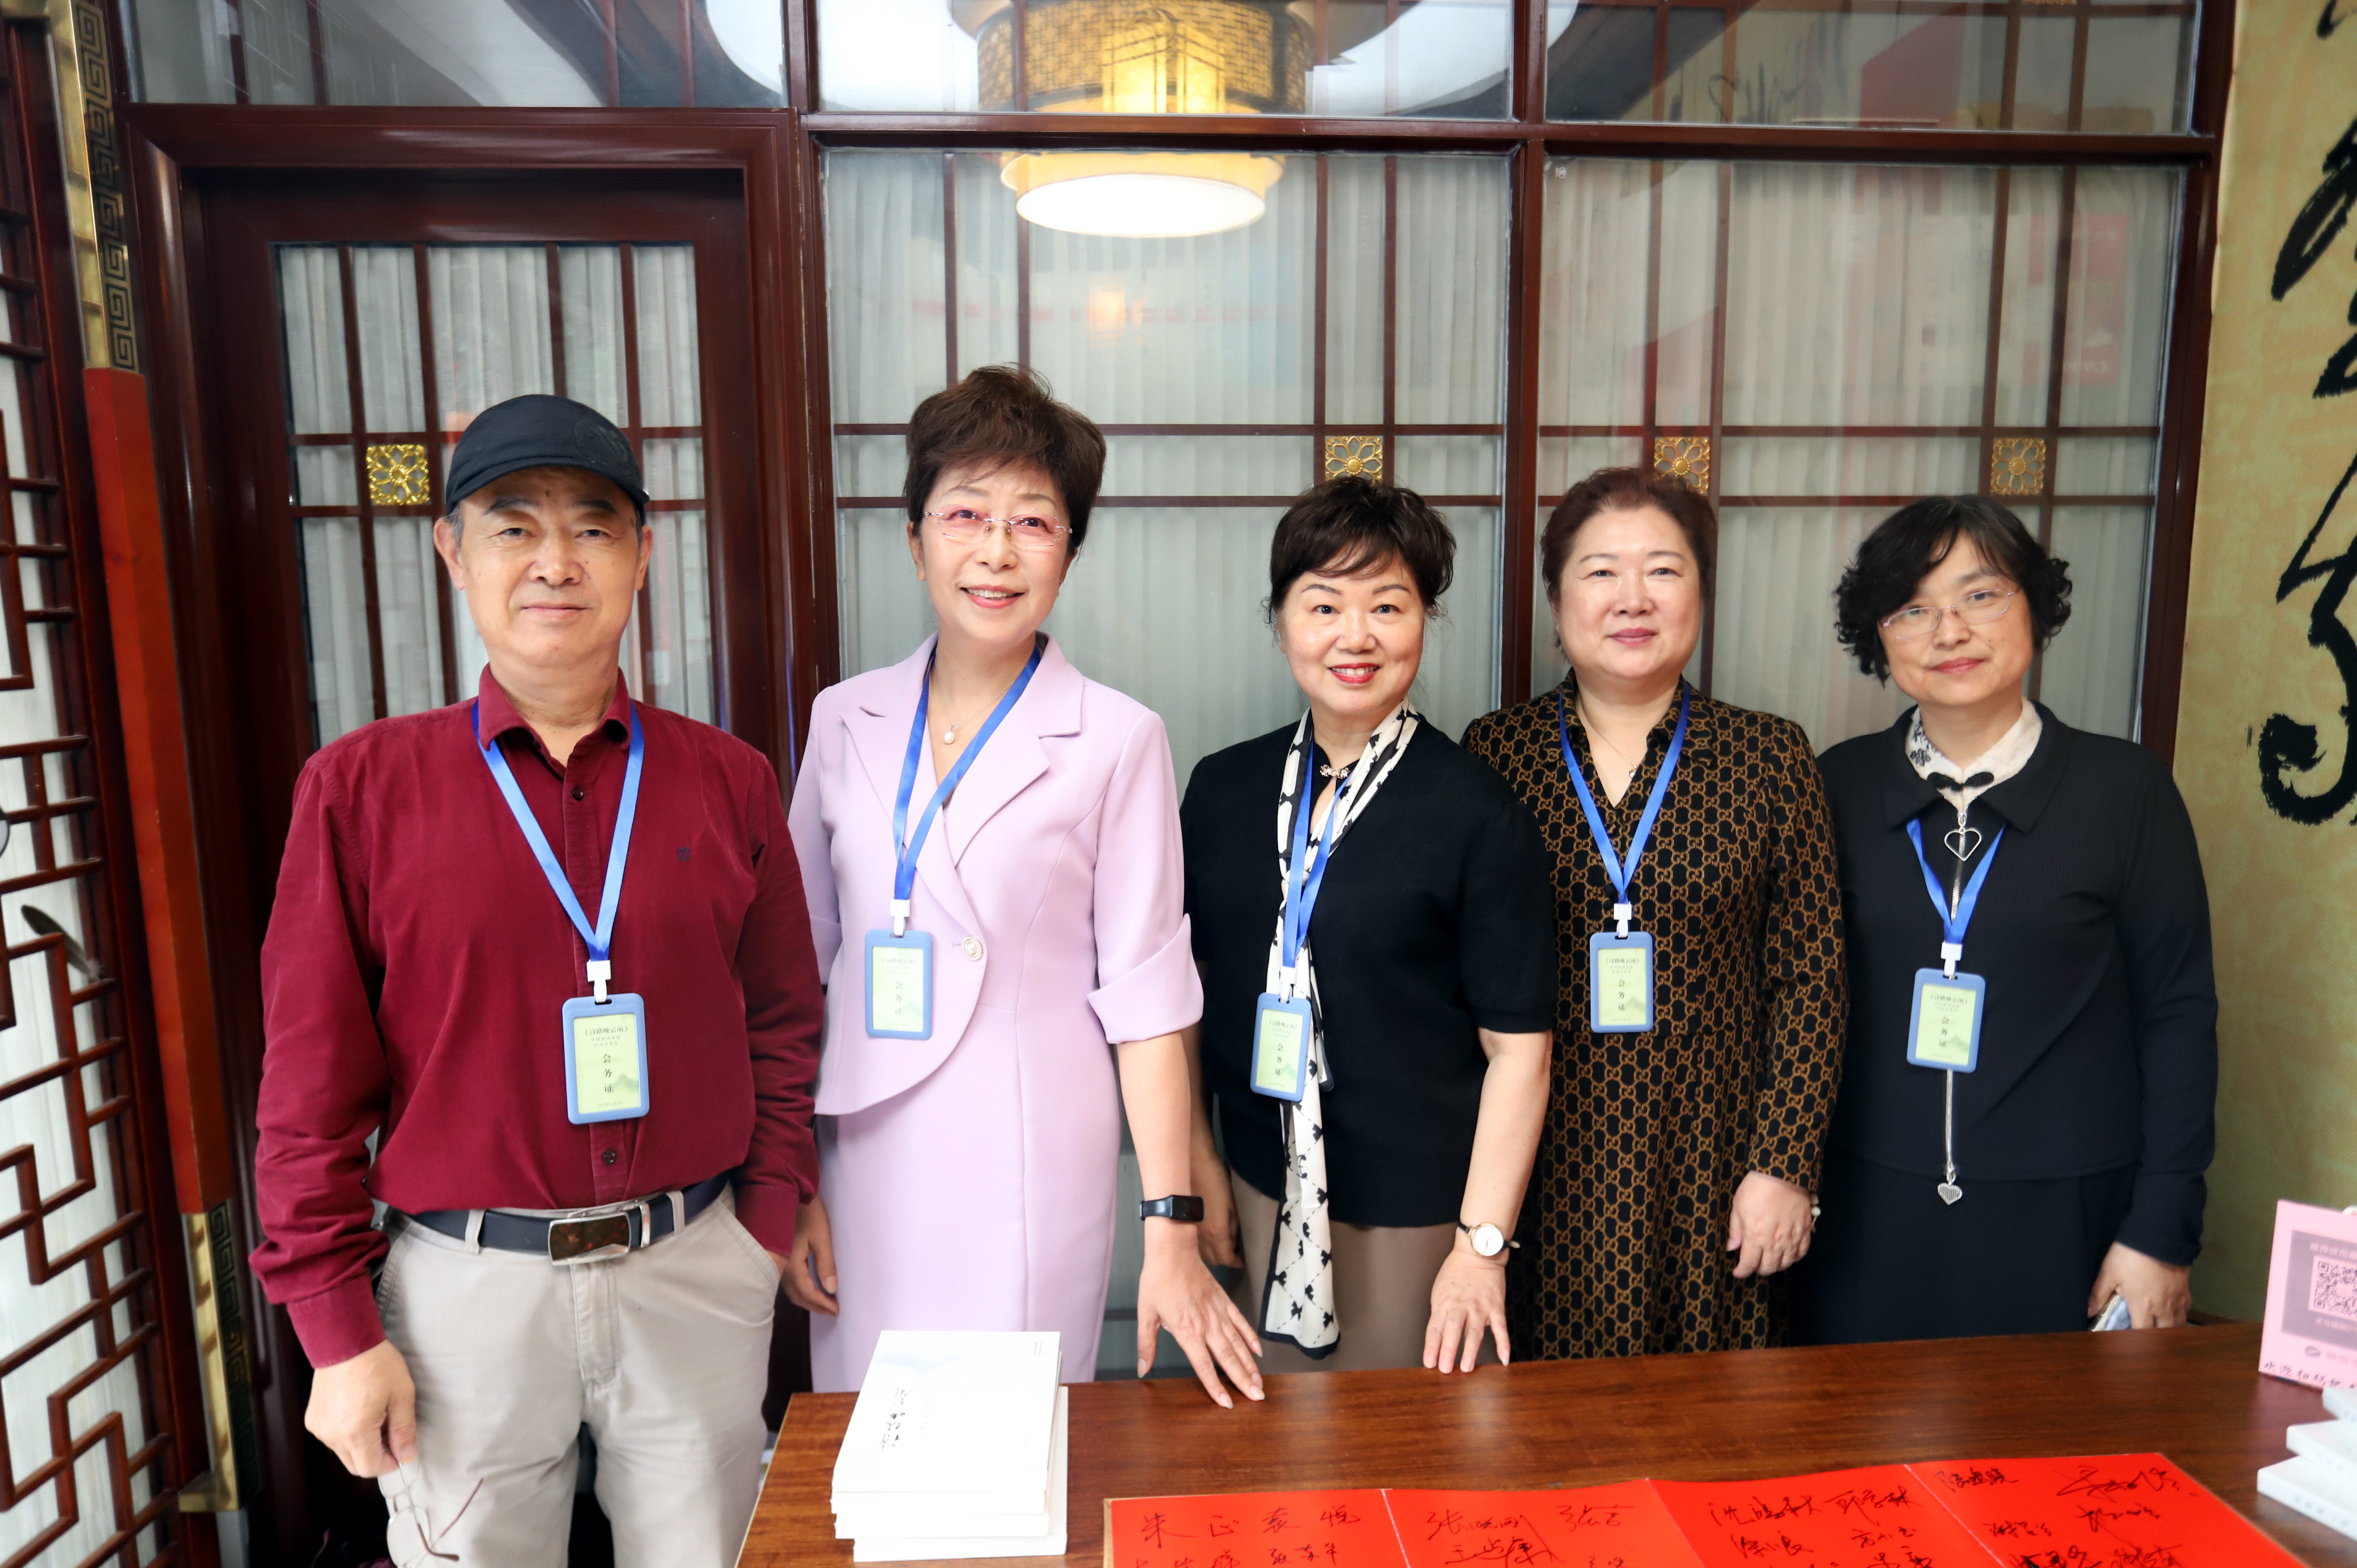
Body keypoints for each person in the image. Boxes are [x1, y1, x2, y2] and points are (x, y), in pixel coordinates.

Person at [248, 394, 826, 1568]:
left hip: (693, 1266)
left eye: (594, 528)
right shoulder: (361, 790)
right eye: (513, 527)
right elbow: (307, 1084)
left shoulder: (729, 780)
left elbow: (782, 1021)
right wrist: (335, 1328)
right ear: (453, 552)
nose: (556, 561)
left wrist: (763, 1222)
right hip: (465, 1291)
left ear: (642, 556)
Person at [788, 365, 1261, 1405]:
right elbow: (799, 970)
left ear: (1069, 554)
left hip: (1029, 1159)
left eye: (1034, 522)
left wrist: (1170, 1227)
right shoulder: (844, 720)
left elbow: (1148, 1005)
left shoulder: (1118, 738)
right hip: (862, 1155)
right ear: (915, 541)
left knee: (1012, 1442)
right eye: (965, 514)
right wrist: (790, 1184)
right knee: (877, 1439)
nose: (996, 551)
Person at [1793, 496, 2217, 1341]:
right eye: (1913, 609)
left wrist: (2161, 1229)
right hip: (1868, 1210)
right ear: (1880, 636)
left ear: (2035, 605)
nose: (1949, 631)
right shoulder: (1836, 785)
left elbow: (2178, 1013)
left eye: (1980, 596)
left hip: (2066, 1210)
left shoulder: (2126, 790)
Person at [1461, 467, 1845, 1359]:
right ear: (1557, 606)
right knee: (1544, 1415)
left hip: (1718, 1163)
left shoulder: (1769, 756)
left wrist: (1784, 1165)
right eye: (1600, 572)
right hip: (1542, 1158)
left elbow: (1811, 980)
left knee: (1714, 1418)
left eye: (1664, 570)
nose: (1633, 598)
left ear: (1701, 594)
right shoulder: (1497, 753)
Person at [1182, 476, 1554, 1373]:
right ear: (1280, 621)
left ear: (1426, 619)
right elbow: (1182, 1003)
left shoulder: (1477, 809)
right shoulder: (1221, 788)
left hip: (1415, 1215)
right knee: (1265, 1440)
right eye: (1323, 606)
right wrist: (1199, 1171)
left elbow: (1520, 1053)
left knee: (1397, 1444)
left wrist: (1482, 1247)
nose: (1356, 636)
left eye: (1388, 605)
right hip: (1255, 1183)